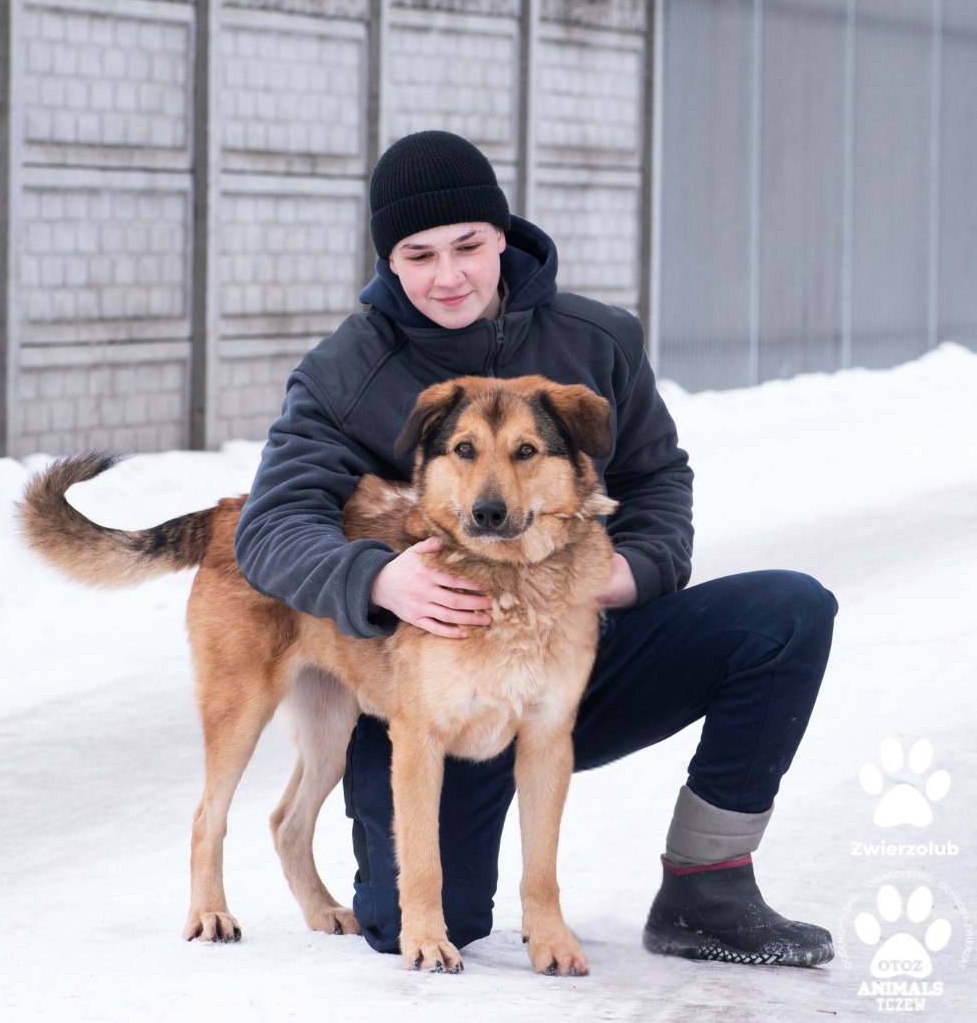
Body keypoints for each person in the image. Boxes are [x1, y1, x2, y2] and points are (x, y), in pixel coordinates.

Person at [235, 130, 838, 967]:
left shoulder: (597, 340)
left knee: (788, 613)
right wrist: (375, 580)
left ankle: (708, 884)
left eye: (468, 246)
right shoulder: (345, 372)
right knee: (416, 923)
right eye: (419, 255)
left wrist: (635, 570)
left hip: (576, 644)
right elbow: (270, 525)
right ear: (389, 261)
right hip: (438, 676)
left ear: (502, 236)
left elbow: (658, 476)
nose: (448, 275)